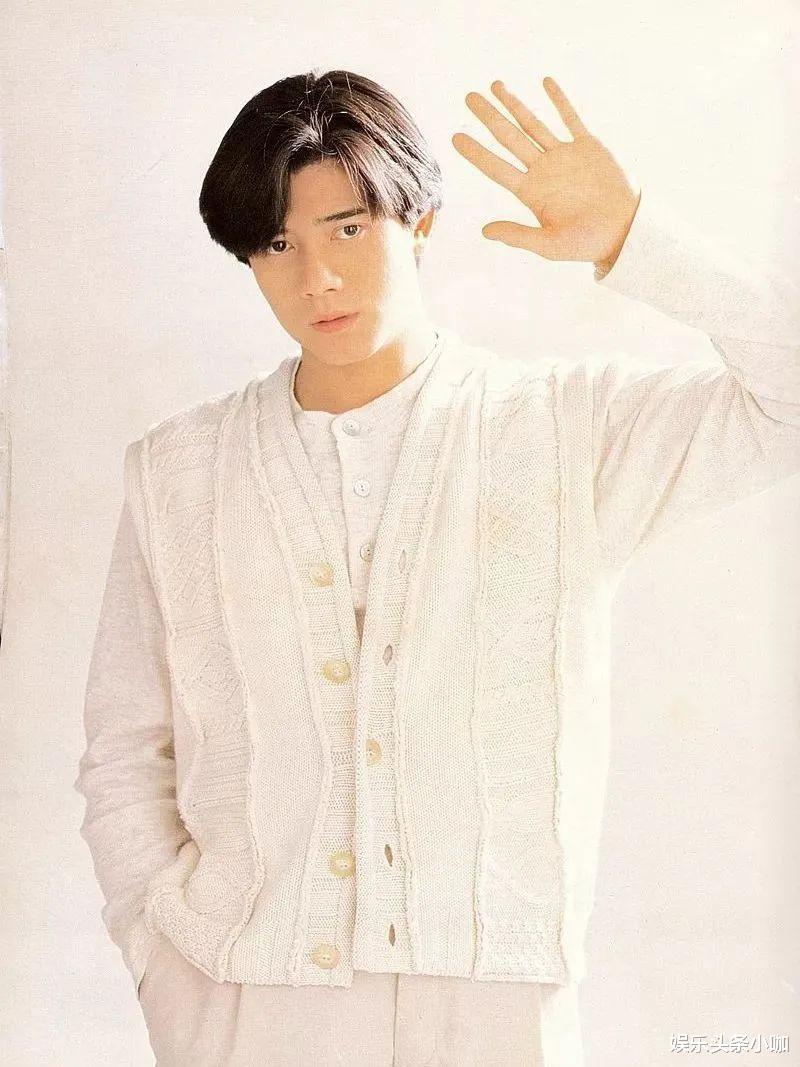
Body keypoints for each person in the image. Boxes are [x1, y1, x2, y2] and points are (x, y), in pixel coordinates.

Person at [74, 68, 800, 1066]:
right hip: (244, 1005)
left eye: (346, 228)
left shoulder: (563, 431)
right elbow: (125, 749)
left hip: (491, 1008)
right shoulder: (178, 472)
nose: (317, 277)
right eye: (277, 244)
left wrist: (638, 240)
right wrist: (162, 965)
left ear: (418, 222)